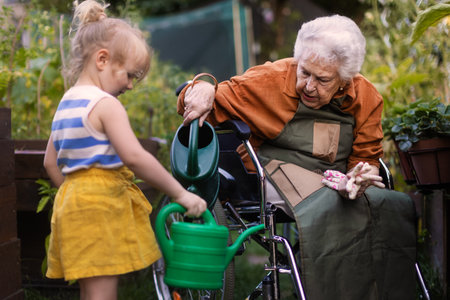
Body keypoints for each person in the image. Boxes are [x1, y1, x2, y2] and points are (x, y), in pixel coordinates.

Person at [178, 15, 417, 299]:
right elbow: (197, 100)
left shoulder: (365, 96)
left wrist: (359, 176)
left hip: (335, 177)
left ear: (344, 79)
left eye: (323, 79)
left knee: (391, 203)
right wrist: (202, 88)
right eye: (305, 72)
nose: (308, 86)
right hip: (276, 169)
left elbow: (365, 159)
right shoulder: (271, 80)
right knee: (330, 206)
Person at [43, 1, 207, 299]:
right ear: (102, 60)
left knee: (91, 290)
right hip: (100, 208)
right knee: (102, 293)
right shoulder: (105, 105)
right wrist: (180, 193)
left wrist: (76, 195)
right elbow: (134, 156)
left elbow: (50, 163)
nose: (131, 85)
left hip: (72, 207)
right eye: (130, 75)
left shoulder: (66, 103)